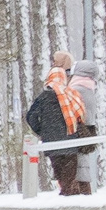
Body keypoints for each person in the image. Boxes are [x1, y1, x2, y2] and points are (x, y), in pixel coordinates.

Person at [28, 52, 91, 195]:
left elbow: (30, 116)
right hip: (69, 142)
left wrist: (42, 131)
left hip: (51, 144)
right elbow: (79, 115)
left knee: (61, 176)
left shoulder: (43, 97)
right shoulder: (70, 95)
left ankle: (66, 196)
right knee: (69, 176)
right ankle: (69, 200)